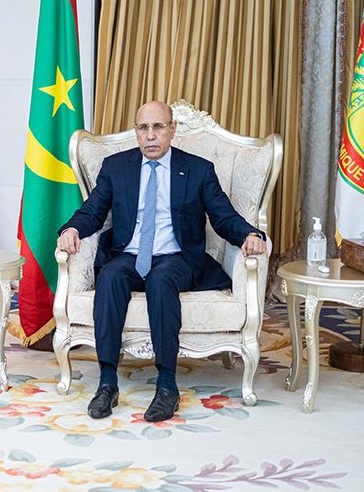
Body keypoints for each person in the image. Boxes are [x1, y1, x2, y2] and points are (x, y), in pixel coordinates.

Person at [56, 101, 266, 422]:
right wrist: (71, 229)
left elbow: (223, 217)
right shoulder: (116, 167)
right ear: (136, 132)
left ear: (172, 129)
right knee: (110, 276)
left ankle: (167, 385)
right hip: (129, 255)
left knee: (161, 279)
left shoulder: (198, 170)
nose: (151, 135)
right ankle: (107, 383)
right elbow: (93, 211)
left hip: (176, 258)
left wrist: (250, 234)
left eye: (158, 127)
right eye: (144, 128)